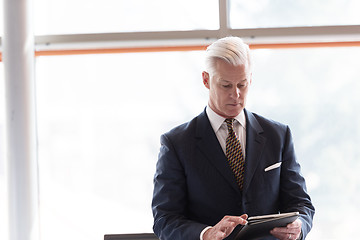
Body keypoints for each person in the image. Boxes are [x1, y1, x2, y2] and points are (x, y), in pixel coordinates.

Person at [152, 36, 315, 240]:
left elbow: (301, 203)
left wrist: (299, 226)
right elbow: (164, 219)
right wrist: (205, 234)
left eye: (242, 84)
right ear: (206, 80)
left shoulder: (278, 135)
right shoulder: (176, 143)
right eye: (226, 85)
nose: (236, 94)